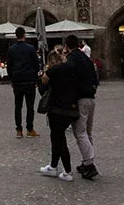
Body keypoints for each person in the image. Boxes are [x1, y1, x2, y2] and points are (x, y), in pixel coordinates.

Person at [38, 49, 80, 182]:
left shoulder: (52, 72)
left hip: (57, 110)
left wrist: (42, 77)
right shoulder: (71, 70)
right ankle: (53, 166)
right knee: (56, 137)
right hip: (70, 109)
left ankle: (67, 171)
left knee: (60, 139)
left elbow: (43, 90)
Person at [65, 34, 100, 180]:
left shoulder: (72, 59)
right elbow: (95, 78)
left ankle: (90, 164)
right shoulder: (86, 57)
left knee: (79, 132)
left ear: (67, 46)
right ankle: (86, 162)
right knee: (87, 132)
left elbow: (69, 77)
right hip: (91, 97)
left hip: (81, 99)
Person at [8, 27, 41, 138]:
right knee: (30, 106)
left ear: (16, 35)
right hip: (29, 81)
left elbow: (9, 66)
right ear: (24, 35)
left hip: (17, 81)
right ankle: (30, 129)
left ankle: (19, 130)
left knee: (18, 106)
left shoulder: (11, 49)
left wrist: (12, 79)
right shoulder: (31, 48)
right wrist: (35, 77)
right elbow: (36, 64)